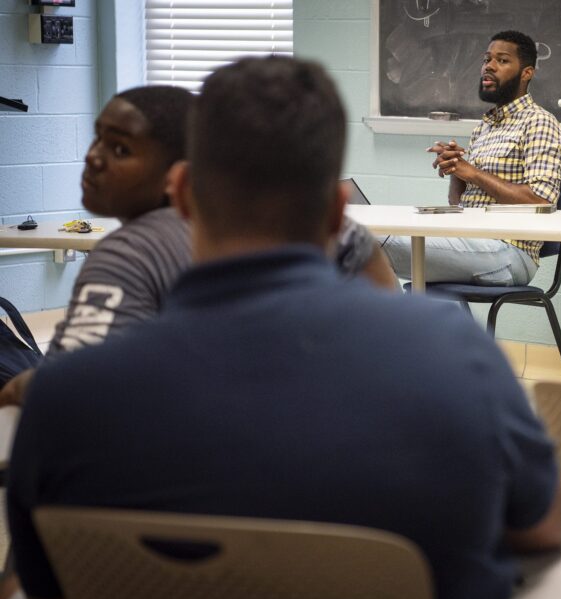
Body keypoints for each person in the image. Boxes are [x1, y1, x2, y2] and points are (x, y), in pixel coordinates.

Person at [5, 56, 561, 599]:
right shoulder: (455, 352)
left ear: (180, 194)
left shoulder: (64, 401)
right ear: (337, 212)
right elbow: (546, 527)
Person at [0, 86, 395, 407]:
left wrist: (21, 387)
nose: (93, 158)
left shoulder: (129, 253)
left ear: (181, 174)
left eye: (119, 150)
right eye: (96, 139)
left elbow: (65, 394)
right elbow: (396, 340)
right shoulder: (335, 230)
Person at [382, 30, 561, 287]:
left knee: (373, 246)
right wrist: (457, 170)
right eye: (486, 59)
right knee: (371, 241)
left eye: (502, 61)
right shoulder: (484, 127)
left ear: (527, 73)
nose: (489, 66)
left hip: (511, 252)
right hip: (471, 241)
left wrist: (475, 173)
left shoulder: (540, 123)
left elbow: (542, 202)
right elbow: (459, 204)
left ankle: (394, 326)